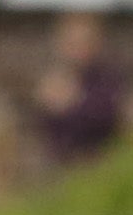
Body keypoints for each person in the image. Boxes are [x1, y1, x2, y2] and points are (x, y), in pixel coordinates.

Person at [31, 12, 126, 169]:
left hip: (100, 167)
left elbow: (106, 117)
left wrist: (72, 102)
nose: (79, 50)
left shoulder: (107, 80)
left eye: (84, 42)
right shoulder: (55, 78)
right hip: (62, 169)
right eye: (72, 43)